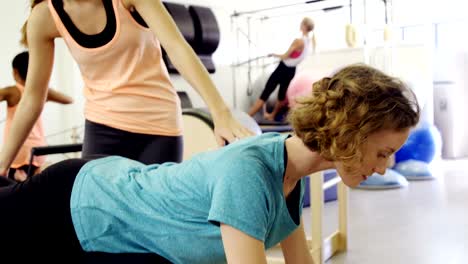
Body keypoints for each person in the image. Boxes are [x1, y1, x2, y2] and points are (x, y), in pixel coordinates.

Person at [0, 64, 420, 263]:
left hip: (102, 213)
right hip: (75, 200)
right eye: (382, 152)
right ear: (349, 132)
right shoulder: (251, 173)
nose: (384, 168)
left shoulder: (291, 180)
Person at [0, 0, 253, 176]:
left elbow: (177, 48)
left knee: (152, 228)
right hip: (102, 128)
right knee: (98, 225)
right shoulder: (44, 17)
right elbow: (33, 98)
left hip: (158, 127)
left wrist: (221, 113)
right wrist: (2, 164)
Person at [1, 51, 73, 181]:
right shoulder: (42, 91)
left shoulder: (11, 91)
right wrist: (46, 89)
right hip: (38, 148)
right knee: (34, 184)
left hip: (16, 150)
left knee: (13, 186)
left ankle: (19, 177)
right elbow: (69, 100)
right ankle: (25, 179)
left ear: (15, 72)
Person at [248, 17, 316, 121]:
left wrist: (273, 54)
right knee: (281, 95)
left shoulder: (298, 41)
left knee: (266, 92)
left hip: (283, 69)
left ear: (304, 26)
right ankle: (272, 115)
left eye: (301, 24)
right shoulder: (309, 42)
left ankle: (248, 116)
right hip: (291, 71)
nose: (300, 25)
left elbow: (285, 56)